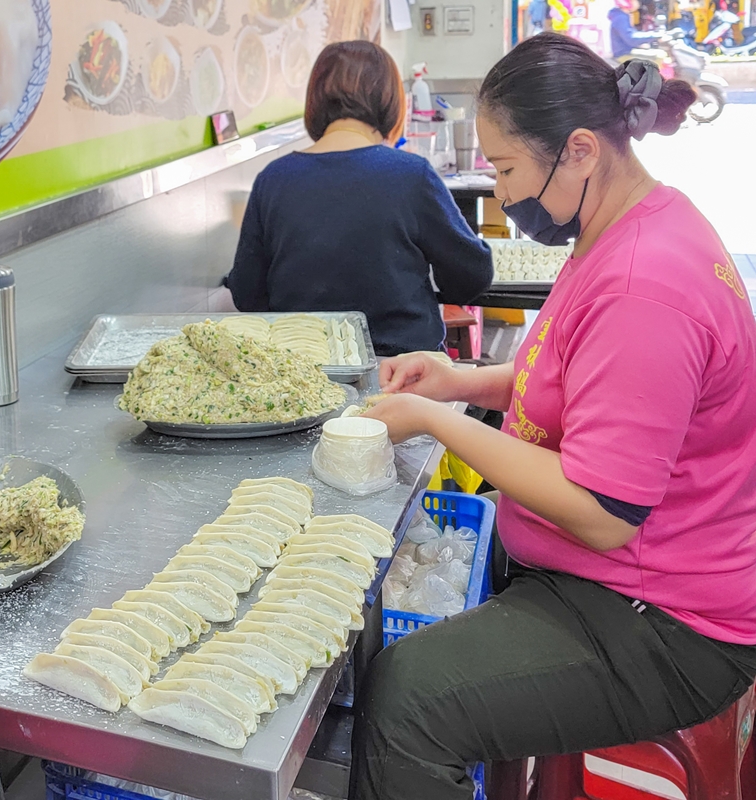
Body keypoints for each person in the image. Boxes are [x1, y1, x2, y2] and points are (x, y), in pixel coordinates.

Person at [353, 34, 756, 799]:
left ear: (578, 151)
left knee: (409, 698)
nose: (501, 195)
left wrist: (439, 423)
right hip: (612, 580)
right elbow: (578, 386)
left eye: (506, 169)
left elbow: (604, 512)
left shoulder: (646, 285)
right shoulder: (623, 226)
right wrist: (459, 382)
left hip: (663, 621)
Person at [225, 41, 493, 357]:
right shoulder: (410, 175)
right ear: (391, 103)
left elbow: (246, 294)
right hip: (405, 373)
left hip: (303, 371)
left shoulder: (273, 179)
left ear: (313, 102)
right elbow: (471, 275)